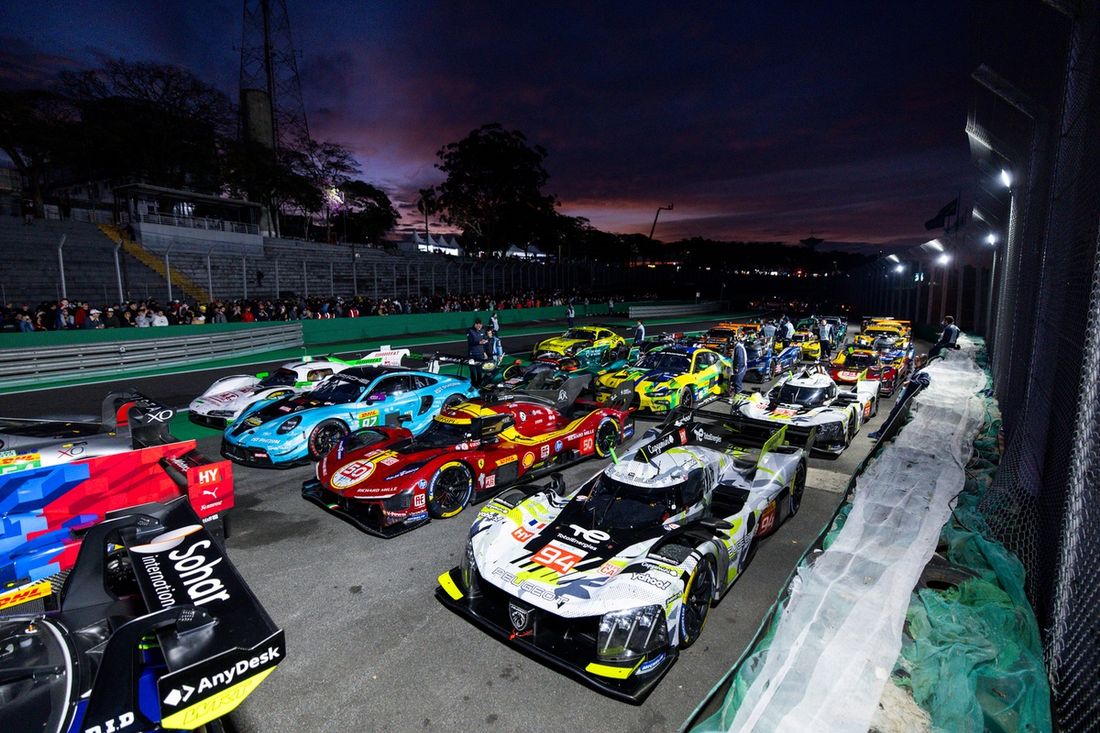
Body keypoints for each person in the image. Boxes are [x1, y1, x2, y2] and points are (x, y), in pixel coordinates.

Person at [466, 318, 489, 386]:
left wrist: (484, 352)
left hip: (480, 354)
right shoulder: (470, 331)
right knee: (472, 371)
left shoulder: (482, 330)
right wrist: (479, 342)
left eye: (481, 325)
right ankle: (473, 385)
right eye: (478, 325)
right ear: (475, 324)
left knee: (479, 371)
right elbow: (470, 342)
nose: (480, 327)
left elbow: (485, 338)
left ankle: (479, 385)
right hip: (472, 355)